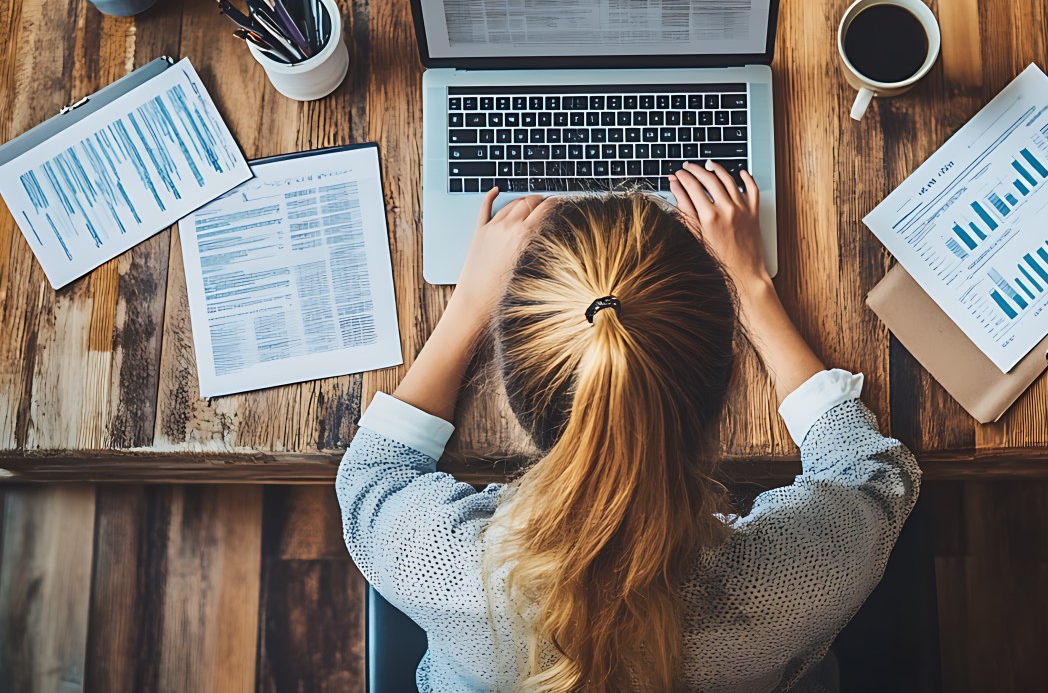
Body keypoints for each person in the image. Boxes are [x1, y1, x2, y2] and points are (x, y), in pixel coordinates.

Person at [338, 161, 921, 692]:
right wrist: (751, 289)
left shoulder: (443, 565)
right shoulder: (794, 576)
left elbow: (371, 475)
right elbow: (870, 476)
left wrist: (469, 304)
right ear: (730, 374)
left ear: (513, 383)